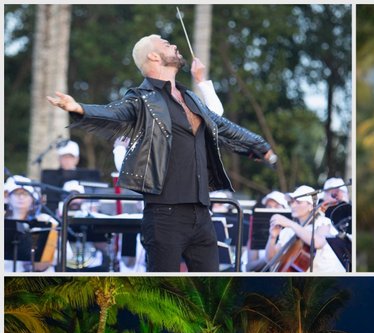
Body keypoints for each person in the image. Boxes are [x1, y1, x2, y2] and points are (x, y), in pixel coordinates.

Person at [47, 34, 275, 272]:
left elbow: (223, 126)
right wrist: (79, 108)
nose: (175, 45)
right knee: (163, 293)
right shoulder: (142, 99)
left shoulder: (190, 98)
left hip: (201, 213)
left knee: (210, 294)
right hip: (165, 215)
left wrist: (259, 146)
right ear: (153, 56)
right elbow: (113, 112)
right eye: (167, 44)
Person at [267, 186, 346, 272]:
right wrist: (272, 237)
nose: (292, 205)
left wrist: (290, 223)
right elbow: (271, 259)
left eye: (298, 202)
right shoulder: (288, 231)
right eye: (292, 202)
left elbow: (318, 242)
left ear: (311, 206)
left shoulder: (323, 222)